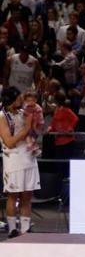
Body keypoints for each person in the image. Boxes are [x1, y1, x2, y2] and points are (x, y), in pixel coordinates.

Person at [0, 87, 40, 237]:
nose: (22, 100)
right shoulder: (2, 117)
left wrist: (34, 127)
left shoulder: (24, 113)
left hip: (28, 157)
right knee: (13, 195)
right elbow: (9, 142)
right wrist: (26, 128)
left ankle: (25, 229)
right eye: (19, 98)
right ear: (11, 99)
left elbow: (32, 132)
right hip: (14, 159)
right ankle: (12, 229)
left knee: (27, 195)